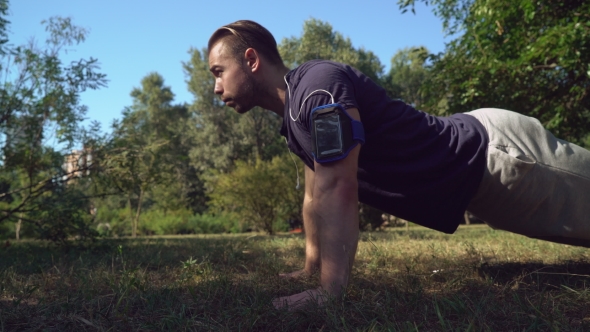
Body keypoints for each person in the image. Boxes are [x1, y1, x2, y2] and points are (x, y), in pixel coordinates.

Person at [207, 20, 590, 310]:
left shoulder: (317, 88)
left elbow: (338, 186)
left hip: (499, 155)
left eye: (218, 72)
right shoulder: (294, 119)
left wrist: (330, 290)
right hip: (483, 186)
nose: (216, 88)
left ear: (251, 60)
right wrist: (311, 266)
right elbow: (313, 195)